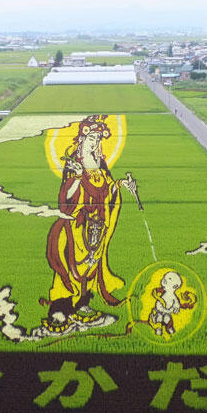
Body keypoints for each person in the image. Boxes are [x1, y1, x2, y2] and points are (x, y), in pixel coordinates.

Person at [41, 115, 137, 331]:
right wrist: (75, 178)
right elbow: (66, 196)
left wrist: (122, 184)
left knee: (91, 266)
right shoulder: (74, 164)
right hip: (77, 224)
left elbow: (107, 189)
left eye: (97, 138)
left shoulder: (100, 163)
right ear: (82, 137)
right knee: (71, 263)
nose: (94, 142)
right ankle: (60, 307)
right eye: (91, 137)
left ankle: (82, 303)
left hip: (97, 224)